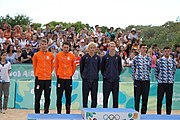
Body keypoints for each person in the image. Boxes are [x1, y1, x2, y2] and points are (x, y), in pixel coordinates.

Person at [32, 39, 54, 114]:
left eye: (45, 44)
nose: (44, 46)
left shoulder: (50, 55)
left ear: (47, 45)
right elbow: (34, 66)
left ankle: (46, 111)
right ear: (40, 45)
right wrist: (37, 74)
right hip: (39, 79)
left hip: (48, 79)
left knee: (47, 97)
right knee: (37, 97)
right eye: (42, 44)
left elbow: (52, 66)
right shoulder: (36, 55)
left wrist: (48, 73)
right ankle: (37, 113)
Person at [55, 42, 76, 114]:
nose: (66, 49)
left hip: (68, 79)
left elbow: (73, 67)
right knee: (59, 96)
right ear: (62, 47)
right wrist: (58, 74)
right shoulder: (58, 55)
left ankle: (68, 112)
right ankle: (59, 112)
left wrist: (70, 75)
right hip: (60, 78)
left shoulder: (72, 56)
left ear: (69, 48)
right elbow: (56, 66)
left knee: (68, 96)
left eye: (67, 47)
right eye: (64, 47)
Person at [155, 46, 176, 115]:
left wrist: (170, 78)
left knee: (169, 99)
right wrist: (159, 79)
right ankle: (158, 114)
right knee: (160, 99)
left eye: (168, 51)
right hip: (161, 83)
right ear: (163, 52)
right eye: (165, 51)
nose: (167, 53)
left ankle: (168, 114)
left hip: (170, 83)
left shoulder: (173, 61)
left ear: (170, 52)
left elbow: (174, 71)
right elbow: (156, 71)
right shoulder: (159, 61)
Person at [132, 43, 152, 114]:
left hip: (146, 81)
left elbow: (149, 69)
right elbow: (133, 69)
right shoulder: (136, 58)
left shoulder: (149, 59)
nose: (144, 49)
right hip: (138, 81)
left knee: (145, 98)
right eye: (143, 48)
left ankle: (143, 114)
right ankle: (136, 114)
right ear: (140, 49)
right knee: (137, 98)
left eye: (145, 48)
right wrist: (135, 78)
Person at [101, 41, 122, 108]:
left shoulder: (118, 57)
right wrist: (105, 75)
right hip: (107, 80)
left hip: (115, 80)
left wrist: (116, 75)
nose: (113, 48)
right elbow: (102, 68)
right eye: (111, 46)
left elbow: (120, 68)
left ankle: (115, 112)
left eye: (114, 46)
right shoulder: (104, 57)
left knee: (115, 97)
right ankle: (104, 111)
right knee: (105, 97)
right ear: (108, 48)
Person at [80, 42, 101, 108]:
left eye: (93, 48)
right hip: (86, 79)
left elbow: (98, 68)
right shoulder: (84, 57)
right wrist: (84, 76)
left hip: (94, 80)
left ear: (95, 49)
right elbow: (81, 68)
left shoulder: (97, 58)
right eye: (91, 48)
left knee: (94, 96)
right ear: (88, 49)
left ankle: (93, 110)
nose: (92, 49)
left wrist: (95, 75)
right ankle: (85, 109)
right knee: (85, 96)